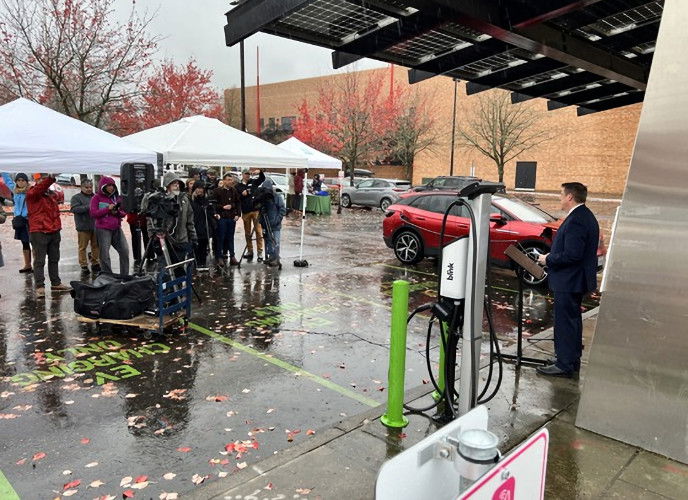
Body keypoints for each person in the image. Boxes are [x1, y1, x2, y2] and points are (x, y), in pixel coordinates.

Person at [536, 182, 600, 378]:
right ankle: (570, 359)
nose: (560, 198)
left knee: (565, 322)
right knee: (572, 321)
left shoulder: (577, 220)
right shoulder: (584, 216)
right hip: (573, 280)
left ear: (570, 197)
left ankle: (564, 364)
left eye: (561, 194)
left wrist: (548, 258)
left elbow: (573, 254)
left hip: (569, 281)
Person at [26, 174, 71, 296]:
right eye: (41, 179)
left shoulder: (51, 194)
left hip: (54, 231)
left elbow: (55, 212)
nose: (43, 181)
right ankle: (40, 286)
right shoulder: (32, 193)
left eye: (45, 178)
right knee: (39, 261)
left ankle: (56, 283)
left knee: (54, 259)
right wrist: (50, 178)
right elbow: (40, 188)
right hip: (39, 231)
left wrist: (57, 226)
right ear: (36, 181)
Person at [147, 172, 197, 265]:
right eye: (174, 184)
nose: (177, 186)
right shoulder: (159, 199)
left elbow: (190, 220)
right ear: (167, 185)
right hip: (164, 240)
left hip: (182, 240)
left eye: (178, 184)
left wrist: (193, 237)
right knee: (165, 269)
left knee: (180, 269)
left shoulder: (184, 199)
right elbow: (150, 220)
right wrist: (152, 236)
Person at [90, 176, 129, 275]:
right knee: (105, 255)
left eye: (112, 185)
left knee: (124, 251)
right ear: (103, 186)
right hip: (103, 229)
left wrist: (117, 212)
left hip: (116, 228)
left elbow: (124, 212)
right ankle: (108, 275)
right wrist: (107, 209)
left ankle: (124, 275)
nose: (111, 187)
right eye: (108, 186)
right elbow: (93, 213)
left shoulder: (117, 197)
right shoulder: (96, 198)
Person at [2, 172, 32, 273]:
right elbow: (7, 180)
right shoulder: (15, 190)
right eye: (18, 180)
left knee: (34, 243)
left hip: (29, 220)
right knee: (24, 243)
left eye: (23, 180)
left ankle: (37, 265)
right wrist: (3, 168)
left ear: (26, 181)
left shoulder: (30, 191)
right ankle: (27, 265)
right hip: (19, 221)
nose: (20, 182)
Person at [69, 179, 100, 274]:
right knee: (82, 247)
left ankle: (95, 263)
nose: (89, 189)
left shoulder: (96, 197)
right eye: (86, 187)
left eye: (90, 187)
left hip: (95, 225)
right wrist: (89, 207)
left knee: (96, 246)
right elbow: (74, 209)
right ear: (81, 187)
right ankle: (84, 265)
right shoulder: (76, 198)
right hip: (83, 226)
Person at [236, 168, 265, 262]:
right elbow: (237, 198)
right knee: (247, 233)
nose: (247, 175)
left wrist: (260, 171)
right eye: (246, 174)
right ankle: (250, 251)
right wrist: (242, 194)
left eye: (248, 174)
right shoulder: (238, 186)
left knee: (258, 231)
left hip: (255, 210)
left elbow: (262, 179)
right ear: (242, 175)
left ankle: (260, 252)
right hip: (246, 212)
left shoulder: (253, 182)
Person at [256, 178, 286, 269]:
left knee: (275, 241)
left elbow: (282, 209)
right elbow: (257, 207)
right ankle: (270, 257)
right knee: (268, 241)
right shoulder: (262, 197)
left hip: (275, 224)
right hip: (265, 223)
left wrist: (277, 219)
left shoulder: (277, 197)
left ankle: (276, 259)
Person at [213, 173, 241, 266]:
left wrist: (238, 214)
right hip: (222, 217)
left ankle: (232, 256)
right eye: (228, 180)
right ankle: (219, 257)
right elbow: (213, 204)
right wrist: (222, 207)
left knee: (230, 238)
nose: (230, 181)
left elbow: (237, 203)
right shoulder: (217, 191)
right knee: (220, 238)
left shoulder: (234, 191)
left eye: (231, 180)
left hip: (231, 217)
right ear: (224, 180)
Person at [190, 183, 215, 269]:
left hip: (205, 226)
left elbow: (211, 211)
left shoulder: (206, 200)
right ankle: (196, 262)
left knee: (204, 245)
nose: (200, 190)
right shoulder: (191, 200)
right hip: (195, 225)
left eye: (201, 188)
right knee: (196, 245)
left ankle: (203, 262)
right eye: (198, 188)